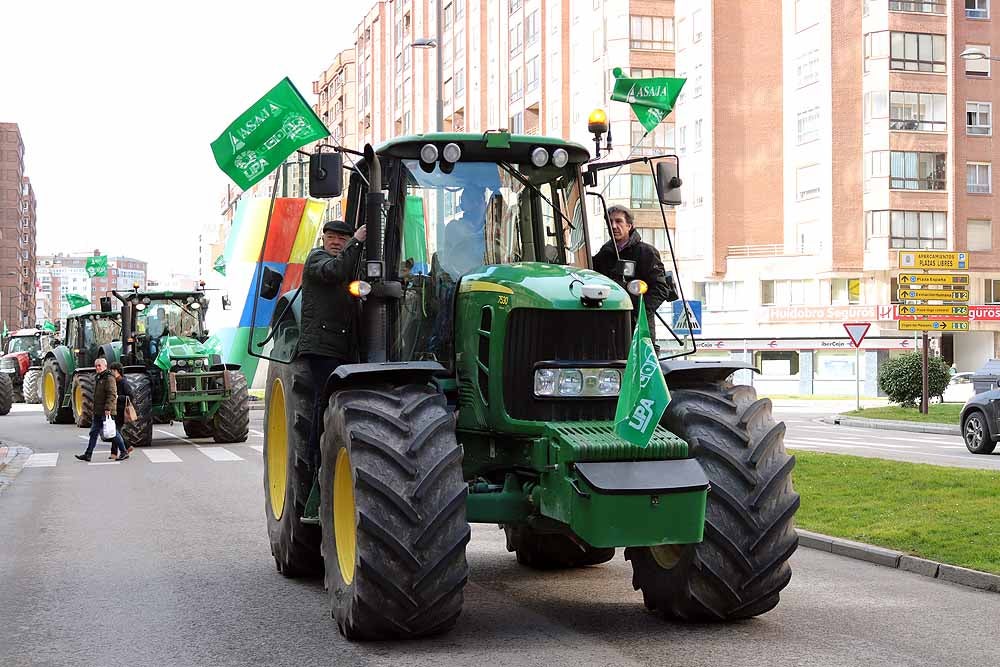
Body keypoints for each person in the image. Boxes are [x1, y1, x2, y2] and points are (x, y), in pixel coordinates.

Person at [300, 220, 367, 460]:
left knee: (335, 399)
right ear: (324, 240)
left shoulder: (349, 262)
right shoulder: (317, 260)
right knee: (325, 399)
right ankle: (316, 459)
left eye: (342, 238)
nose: (337, 242)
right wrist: (357, 241)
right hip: (321, 347)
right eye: (332, 238)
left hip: (340, 347)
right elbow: (335, 271)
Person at [593, 205, 676, 344]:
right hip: (609, 331)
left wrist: (636, 313)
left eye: (618, 221)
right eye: (610, 221)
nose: (613, 226)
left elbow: (661, 290)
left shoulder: (646, 252)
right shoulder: (604, 254)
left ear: (629, 226)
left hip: (638, 333)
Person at [74, 357, 127, 462]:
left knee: (112, 433)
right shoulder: (99, 377)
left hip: (106, 411)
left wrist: (108, 408)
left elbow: (112, 394)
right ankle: (88, 454)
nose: (97, 368)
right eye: (96, 366)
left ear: (105, 366)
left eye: (99, 366)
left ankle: (124, 451)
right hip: (98, 411)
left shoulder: (109, 378)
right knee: (93, 432)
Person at [109, 362, 134, 460]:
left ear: (118, 371)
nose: (112, 372)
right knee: (115, 432)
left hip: (121, 411)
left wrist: (119, 397)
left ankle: (124, 449)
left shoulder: (123, 382)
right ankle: (117, 451)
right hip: (115, 410)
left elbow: (130, 396)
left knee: (115, 432)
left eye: (113, 370)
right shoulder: (114, 382)